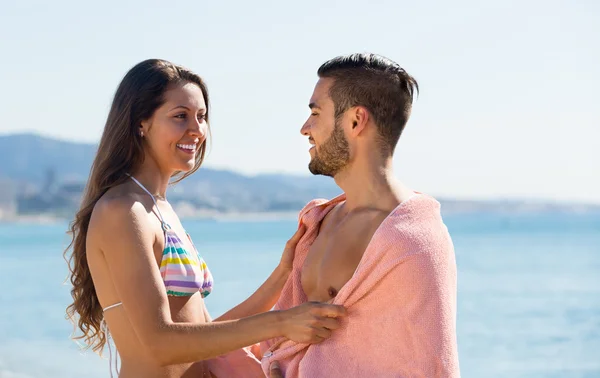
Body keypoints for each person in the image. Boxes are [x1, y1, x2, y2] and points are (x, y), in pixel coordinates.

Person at [64, 58, 346, 378]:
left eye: (201, 117)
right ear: (140, 123)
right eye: (180, 116)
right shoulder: (123, 211)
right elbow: (159, 343)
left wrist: (283, 273)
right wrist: (282, 323)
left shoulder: (158, 208)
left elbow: (205, 333)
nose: (197, 130)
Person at [263, 53, 460, 377]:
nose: (304, 128)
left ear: (355, 121)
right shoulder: (319, 221)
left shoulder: (414, 242)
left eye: (315, 112)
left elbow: (429, 363)